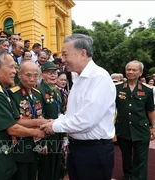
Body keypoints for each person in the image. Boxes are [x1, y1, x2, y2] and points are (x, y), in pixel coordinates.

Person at [40, 34, 116, 180]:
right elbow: (72, 114)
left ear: (82, 53)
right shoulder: (78, 79)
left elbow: (86, 120)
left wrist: (54, 126)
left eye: (65, 54)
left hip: (93, 152)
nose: (62, 59)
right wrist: (53, 122)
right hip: (78, 148)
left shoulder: (99, 78)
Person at [0, 50, 46, 180]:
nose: (15, 71)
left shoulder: (1, 90)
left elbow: (15, 122)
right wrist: (38, 133)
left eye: (15, 67)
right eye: (11, 67)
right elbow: (12, 128)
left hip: (4, 154)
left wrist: (40, 123)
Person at [115, 60, 155, 180]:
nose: (130, 72)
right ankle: (128, 176)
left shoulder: (147, 89)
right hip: (123, 128)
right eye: (128, 69)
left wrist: (153, 127)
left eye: (134, 70)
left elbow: (151, 110)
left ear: (140, 73)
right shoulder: (117, 88)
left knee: (141, 158)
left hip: (141, 129)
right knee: (126, 157)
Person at [8, 60, 48, 180]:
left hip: (36, 145)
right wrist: (38, 123)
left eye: (36, 75)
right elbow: (14, 122)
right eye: (28, 75)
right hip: (21, 146)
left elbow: (41, 116)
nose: (32, 79)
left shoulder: (37, 93)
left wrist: (43, 142)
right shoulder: (13, 94)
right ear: (19, 74)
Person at [37, 62, 65, 180]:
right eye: (50, 73)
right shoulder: (39, 92)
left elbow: (61, 113)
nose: (53, 76)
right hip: (47, 136)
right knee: (46, 169)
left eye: (55, 73)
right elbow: (38, 118)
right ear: (42, 75)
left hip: (57, 134)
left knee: (57, 166)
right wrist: (42, 142)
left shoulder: (57, 92)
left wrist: (64, 135)